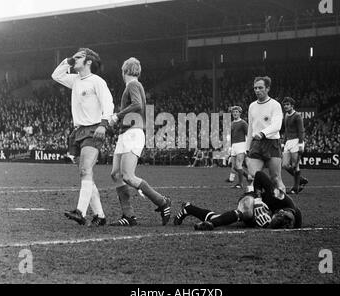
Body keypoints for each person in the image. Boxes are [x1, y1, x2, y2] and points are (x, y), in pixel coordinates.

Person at [52, 47, 114, 226]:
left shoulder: (97, 81)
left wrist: (103, 124)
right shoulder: (75, 80)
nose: (74, 58)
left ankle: (80, 211)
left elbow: (108, 104)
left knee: (85, 170)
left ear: (88, 62)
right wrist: (68, 61)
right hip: (78, 132)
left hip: (93, 129)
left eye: (79, 57)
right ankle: (100, 216)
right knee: (86, 174)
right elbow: (56, 75)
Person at [109, 57, 171, 226]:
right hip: (126, 133)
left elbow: (137, 105)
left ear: (124, 71)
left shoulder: (133, 85)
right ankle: (128, 216)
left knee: (128, 176)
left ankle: (162, 202)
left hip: (133, 133)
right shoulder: (134, 85)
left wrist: (117, 115)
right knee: (116, 174)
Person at [173, 170, 302, 230]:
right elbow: (259, 175)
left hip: (261, 216)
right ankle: (212, 225)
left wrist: (266, 224)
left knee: (219, 217)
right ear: (280, 211)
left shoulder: (293, 218)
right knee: (247, 211)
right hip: (251, 199)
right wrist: (258, 201)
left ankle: (188, 208)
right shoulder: (277, 196)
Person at [246, 76, 285, 193]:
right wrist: (247, 148)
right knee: (252, 176)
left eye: (260, 88)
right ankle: (258, 203)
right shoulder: (252, 106)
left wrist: (263, 133)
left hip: (272, 143)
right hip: (256, 144)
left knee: (276, 178)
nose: (257, 90)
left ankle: (285, 207)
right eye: (255, 88)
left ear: (267, 88)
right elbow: (250, 127)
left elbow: (277, 125)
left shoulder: (275, 105)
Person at [281, 97, 308, 194]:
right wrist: (283, 143)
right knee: (284, 165)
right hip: (288, 142)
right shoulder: (286, 116)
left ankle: (295, 188)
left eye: (287, 104)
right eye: (284, 105)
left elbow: (301, 131)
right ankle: (301, 179)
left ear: (292, 105)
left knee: (295, 165)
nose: (286, 106)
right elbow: (286, 130)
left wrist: (301, 144)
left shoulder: (297, 116)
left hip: (297, 141)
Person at [228, 106, 249, 189]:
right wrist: (230, 147)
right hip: (234, 146)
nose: (235, 113)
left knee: (238, 164)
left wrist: (247, 147)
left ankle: (240, 184)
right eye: (234, 112)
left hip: (241, 145)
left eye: (236, 112)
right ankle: (248, 176)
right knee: (234, 167)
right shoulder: (232, 123)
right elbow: (231, 136)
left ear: (240, 113)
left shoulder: (243, 123)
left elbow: (248, 134)